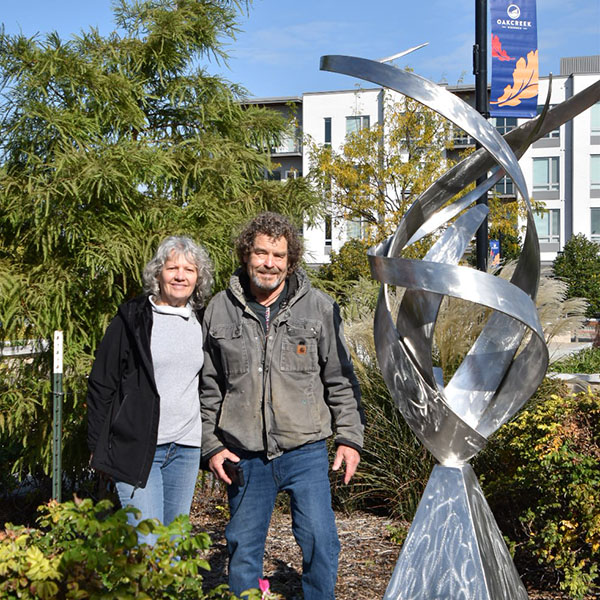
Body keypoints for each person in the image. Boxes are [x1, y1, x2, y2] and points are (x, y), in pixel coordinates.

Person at [200, 212, 364, 599]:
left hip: (304, 450)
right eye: (261, 252)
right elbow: (207, 387)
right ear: (246, 255)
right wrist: (211, 445)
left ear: (291, 262)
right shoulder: (218, 311)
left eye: (278, 255)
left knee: (321, 542)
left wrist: (349, 439)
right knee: (242, 549)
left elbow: (340, 378)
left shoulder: (319, 308)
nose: (269, 263)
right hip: (243, 454)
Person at [87, 235, 213, 545]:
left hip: (185, 448)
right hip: (137, 448)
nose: (180, 276)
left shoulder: (201, 320)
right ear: (158, 273)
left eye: (189, 269)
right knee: (149, 545)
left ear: (199, 278)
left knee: (175, 543)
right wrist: (97, 445)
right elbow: (102, 384)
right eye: (172, 268)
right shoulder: (132, 319)